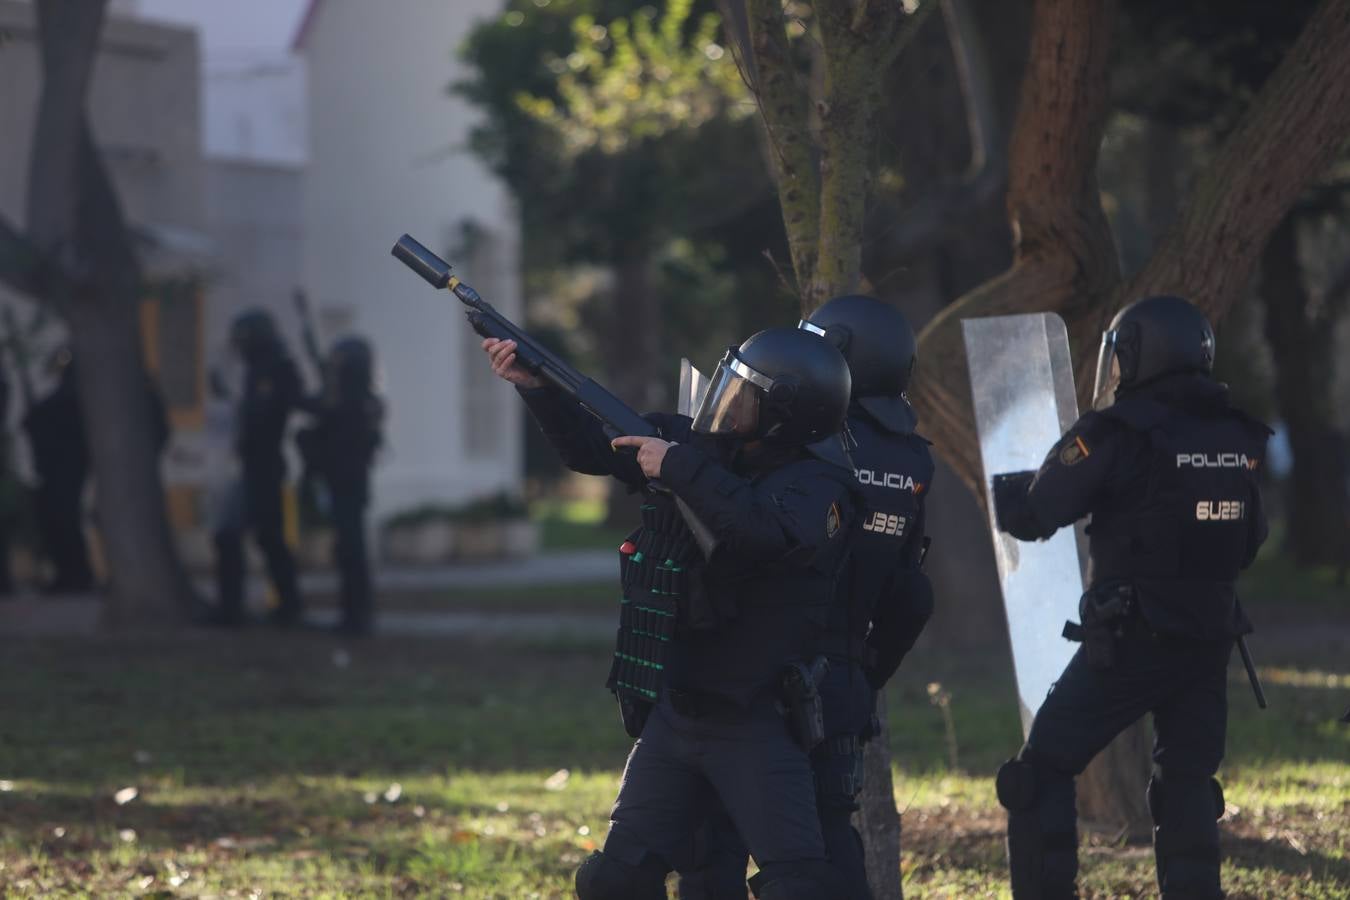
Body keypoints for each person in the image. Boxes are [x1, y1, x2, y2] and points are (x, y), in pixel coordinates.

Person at [484, 326, 860, 899]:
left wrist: (678, 468)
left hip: (755, 722)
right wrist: (539, 388)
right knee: (613, 882)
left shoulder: (820, 486)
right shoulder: (701, 448)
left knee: (797, 887)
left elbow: (764, 533)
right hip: (675, 718)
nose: (727, 406)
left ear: (786, 414)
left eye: (746, 398)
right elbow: (593, 448)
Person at [991, 295, 1270, 900]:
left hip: (1132, 636)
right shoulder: (1237, 433)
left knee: (1038, 773)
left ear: (1139, 356)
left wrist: (1014, 492)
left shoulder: (1116, 431)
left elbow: (1040, 513)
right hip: (1210, 637)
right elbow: (1249, 542)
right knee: (1187, 783)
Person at [678, 295, 936, 900]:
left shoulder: (800, 443)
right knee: (827, 837)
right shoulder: (911, 458)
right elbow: (908, 590)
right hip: (842, 681)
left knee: (715, 837)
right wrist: (865, 673)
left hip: (760, 672)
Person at [208, 308, 303, 627]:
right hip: (251, 464)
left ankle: (253, 609)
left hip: (263, 465)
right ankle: (245, 607)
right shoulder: (255, 369)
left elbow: (279, 408)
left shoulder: (277, 368)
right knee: (249, 537)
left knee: (254, 537)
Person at [296, 337, 384, 635]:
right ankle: (353, 615)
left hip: (349, 486)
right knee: (347, 550)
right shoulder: (352, 401)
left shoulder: (357, 403)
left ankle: (356, 618)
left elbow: (325, 419)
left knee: (351, 551)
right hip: (340, 485)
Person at [23, 348, 93, 593]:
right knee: (57, 523)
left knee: (65, 523)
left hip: (68, 471)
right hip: (56, 471)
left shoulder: (74, 398)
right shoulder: (66, 398)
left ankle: (76, 576)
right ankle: (69, 575)